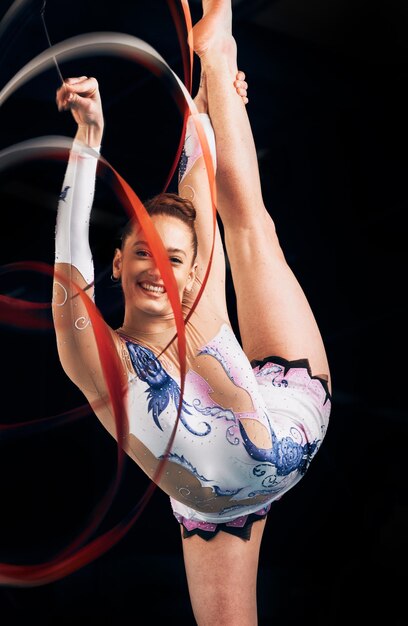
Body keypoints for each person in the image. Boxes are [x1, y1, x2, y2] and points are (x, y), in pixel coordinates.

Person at [53, 0, 332, 623]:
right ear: (117, 264)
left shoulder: (199, 303)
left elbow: (198, 172)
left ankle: (219, 40)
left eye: (176, 259)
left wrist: (211, 97)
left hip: (275, 427)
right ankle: (216, 67)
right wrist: (89, 140)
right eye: (143, 252)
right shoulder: (95, 357)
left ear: (188, 273)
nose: (159, 265)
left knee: (245, 221)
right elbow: (69, 264)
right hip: (240, 485)